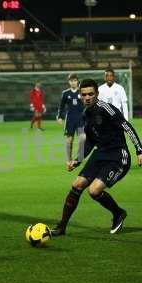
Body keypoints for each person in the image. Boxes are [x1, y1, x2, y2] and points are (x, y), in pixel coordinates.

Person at [51, 79, 142, 236]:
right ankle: (62, 227)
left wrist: (139, 150)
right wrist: (77, 160)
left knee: (93, 191)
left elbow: (127, 126)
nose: (87, 97)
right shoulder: (85, 114)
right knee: (77, 184)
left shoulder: (106, 109)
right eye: (84, 94)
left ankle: (118, 213)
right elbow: (90, 141)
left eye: (90, 94)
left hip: (118, 156)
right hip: (100, 154)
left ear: (97, 94)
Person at [57, 73, 86, 164]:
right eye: (71, 81)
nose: (73, 82)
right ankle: (69, 160)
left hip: (81, 119)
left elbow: (87, 104)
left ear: (77, 81)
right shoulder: (65, 93)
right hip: (70, 120)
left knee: (82, 138)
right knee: (69, 140)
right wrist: (60, 117)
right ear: (69, 82)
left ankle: (80, 157)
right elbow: (61, 107)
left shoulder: (82, 92)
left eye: (74, 80)